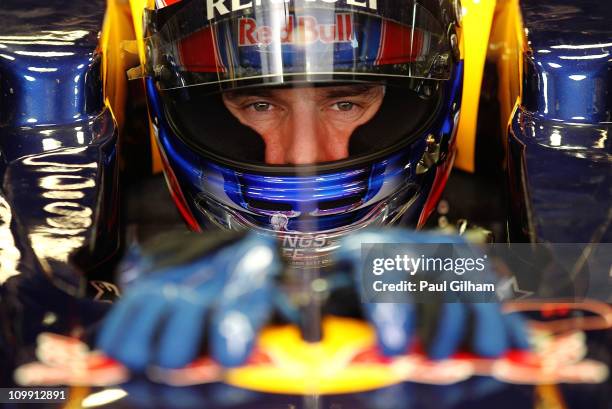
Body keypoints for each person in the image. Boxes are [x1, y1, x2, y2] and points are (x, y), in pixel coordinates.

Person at [95, 0, 530, 372]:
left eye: (345, 101)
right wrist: (97, 312)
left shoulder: (515, 220)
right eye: (259, 103)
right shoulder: (104, 234)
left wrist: (477, 279)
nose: (304, 155)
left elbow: (590, 295)